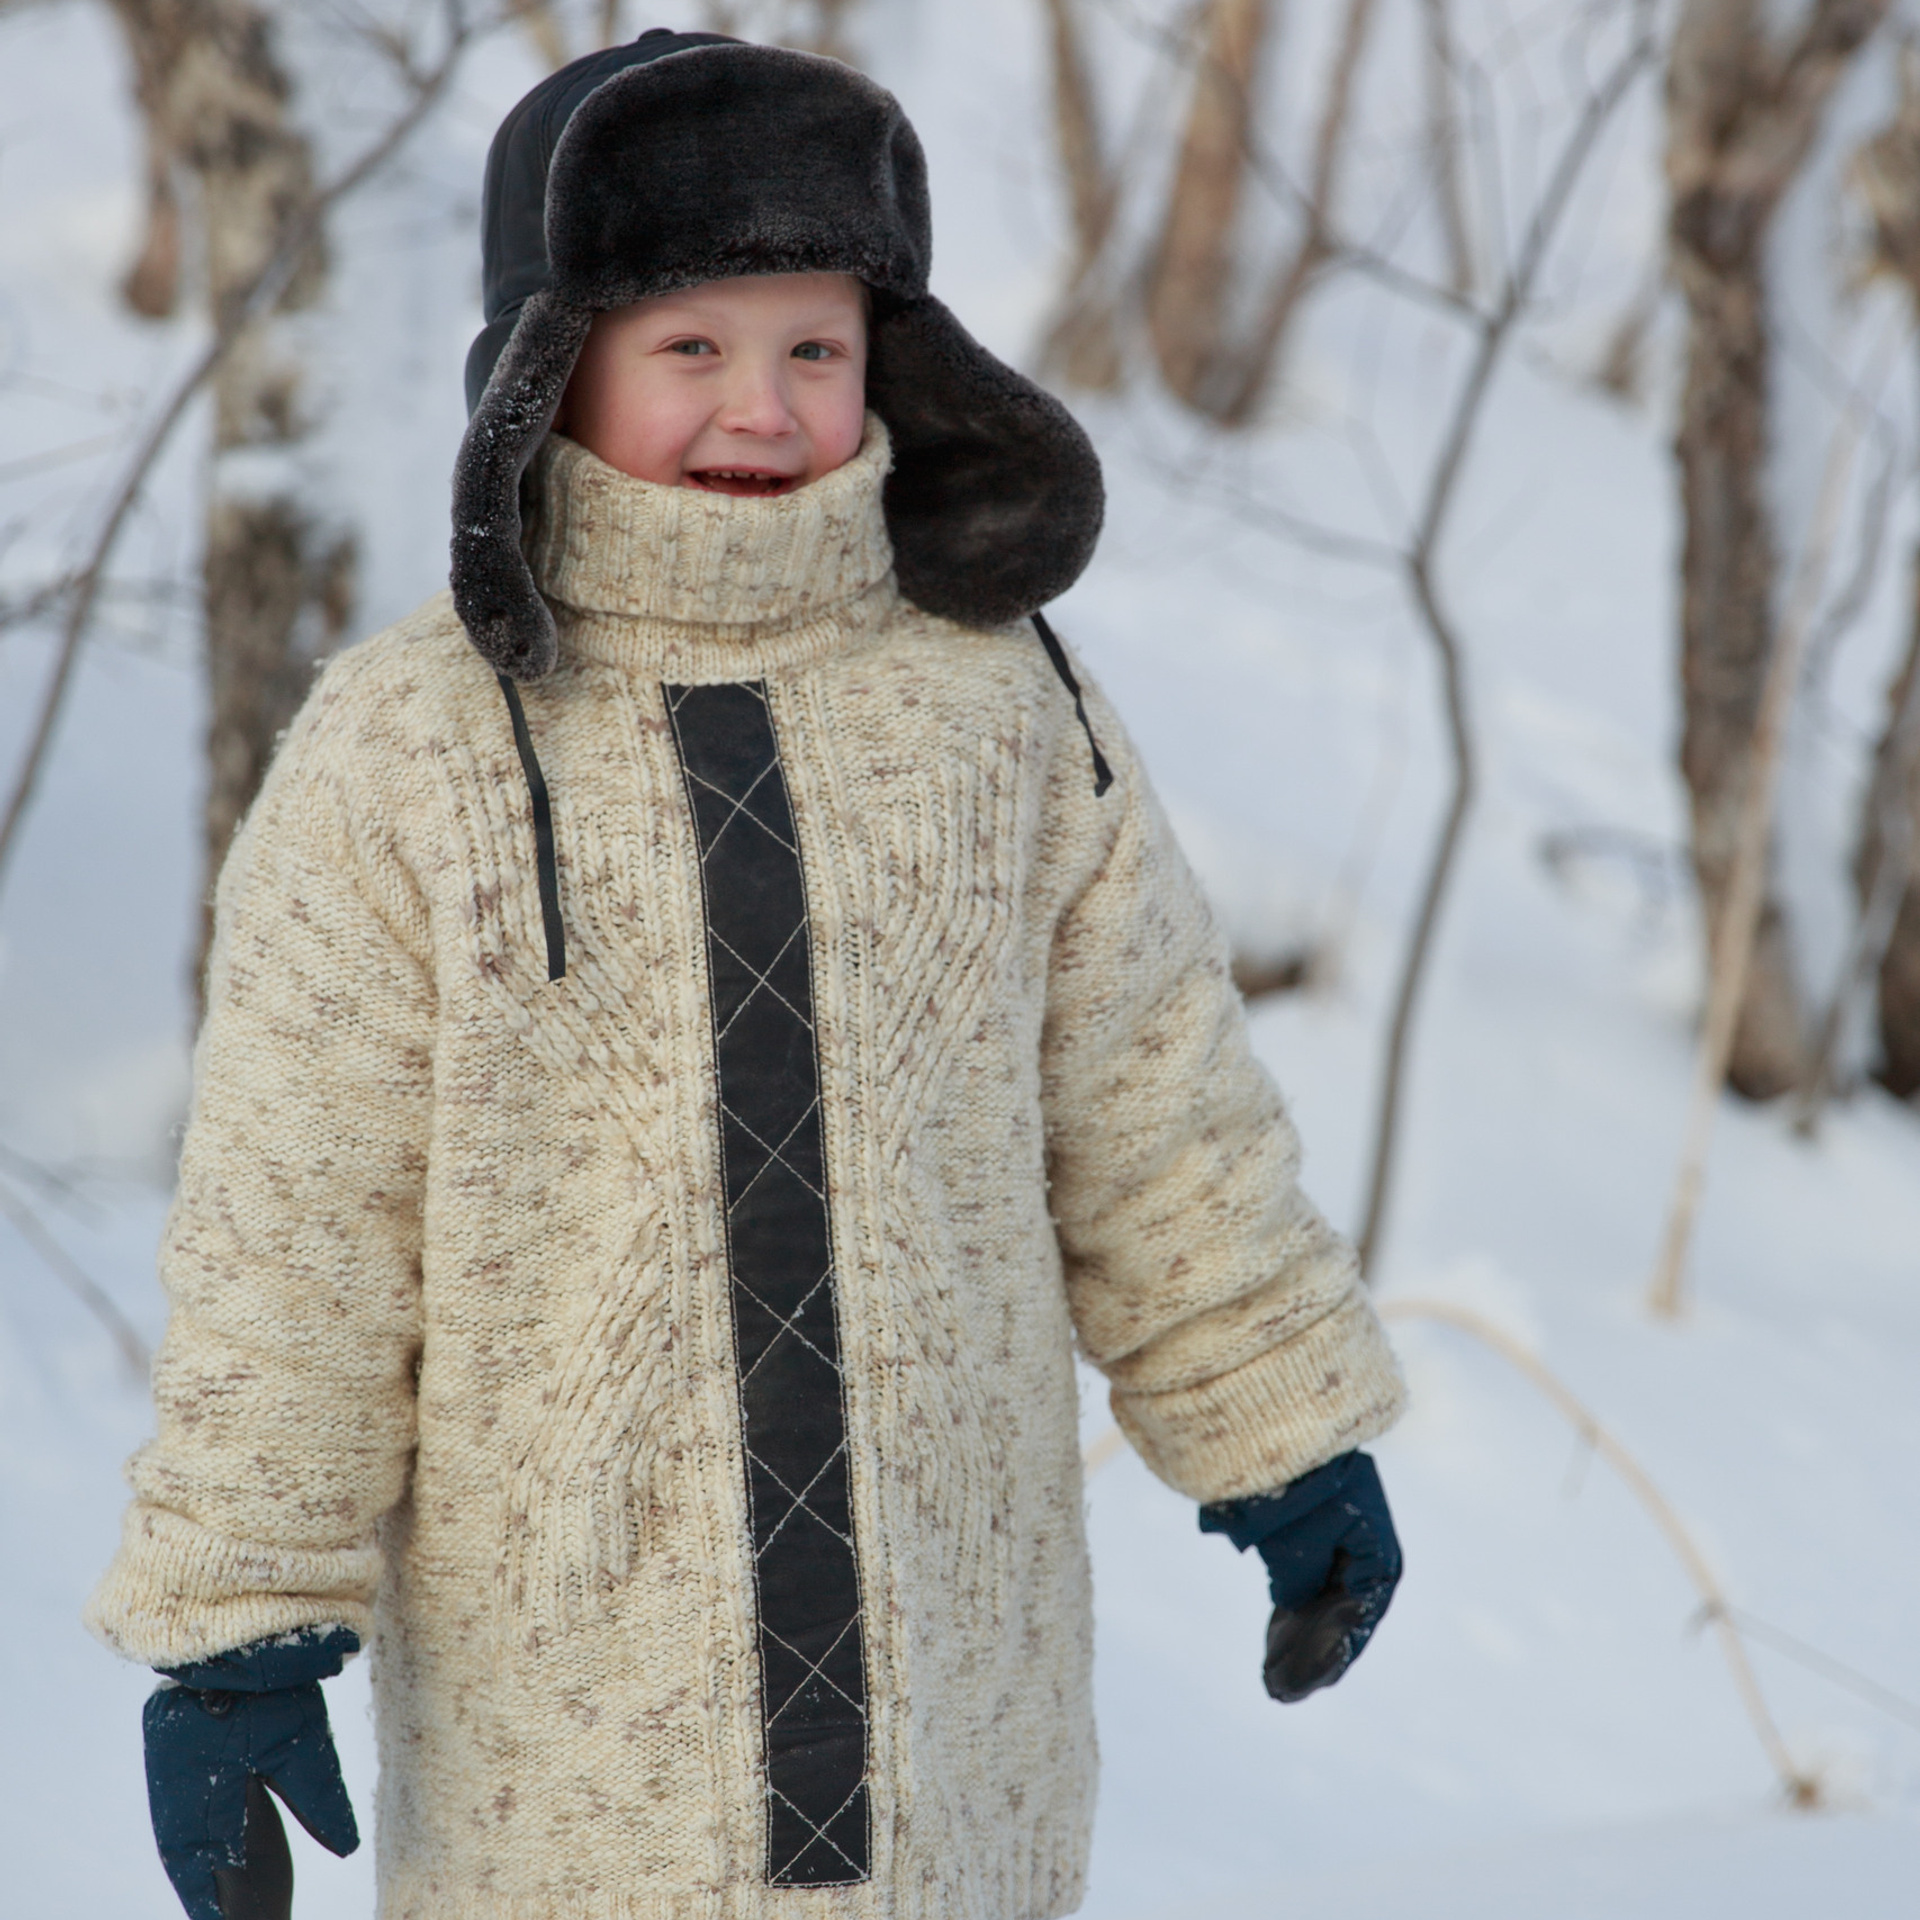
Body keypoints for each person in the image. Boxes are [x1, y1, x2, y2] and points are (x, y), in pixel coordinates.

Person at [88, 30, 1407, 1920]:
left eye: (814, 348)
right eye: (690, 346)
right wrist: (240, 1621)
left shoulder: (1004, 709)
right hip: (571, 1741)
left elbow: (1155, 1112)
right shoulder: (411, 748)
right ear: (553, 364)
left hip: (960, 1726)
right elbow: (297, 1223)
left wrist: (1282, 1432)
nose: (761, 408)